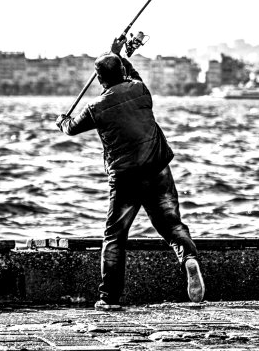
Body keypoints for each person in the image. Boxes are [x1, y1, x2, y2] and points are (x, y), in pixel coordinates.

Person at [55, 49, 204, 310]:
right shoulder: (140, 90)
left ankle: (109, 298)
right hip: (158, 170)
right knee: (172, 226)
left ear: (100, 80)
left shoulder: (95, 108)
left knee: (115, 236)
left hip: (126, 179)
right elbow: (130, 74)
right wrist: (120, 54)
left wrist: (62, 121)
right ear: (122, 72)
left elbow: (70, 129)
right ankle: (188, 258)